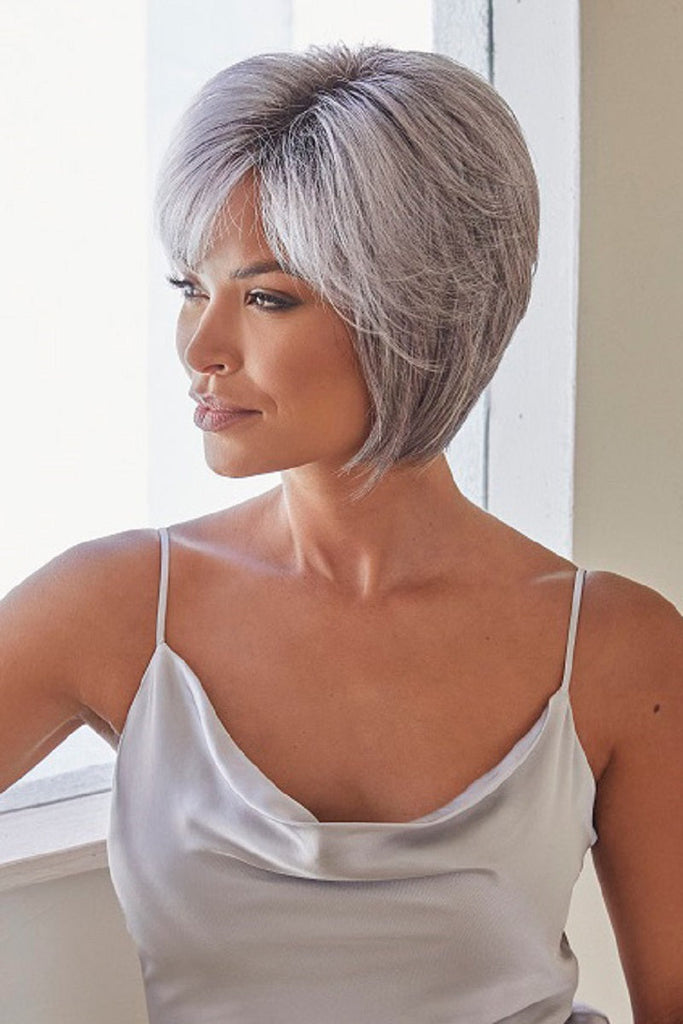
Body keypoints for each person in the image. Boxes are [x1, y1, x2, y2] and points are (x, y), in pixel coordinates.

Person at [2, 41, 681, 1024]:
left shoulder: (617, 647)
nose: (200, 348)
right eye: (189, 289)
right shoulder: (113, 607)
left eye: (266, 297)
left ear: (414, 311)